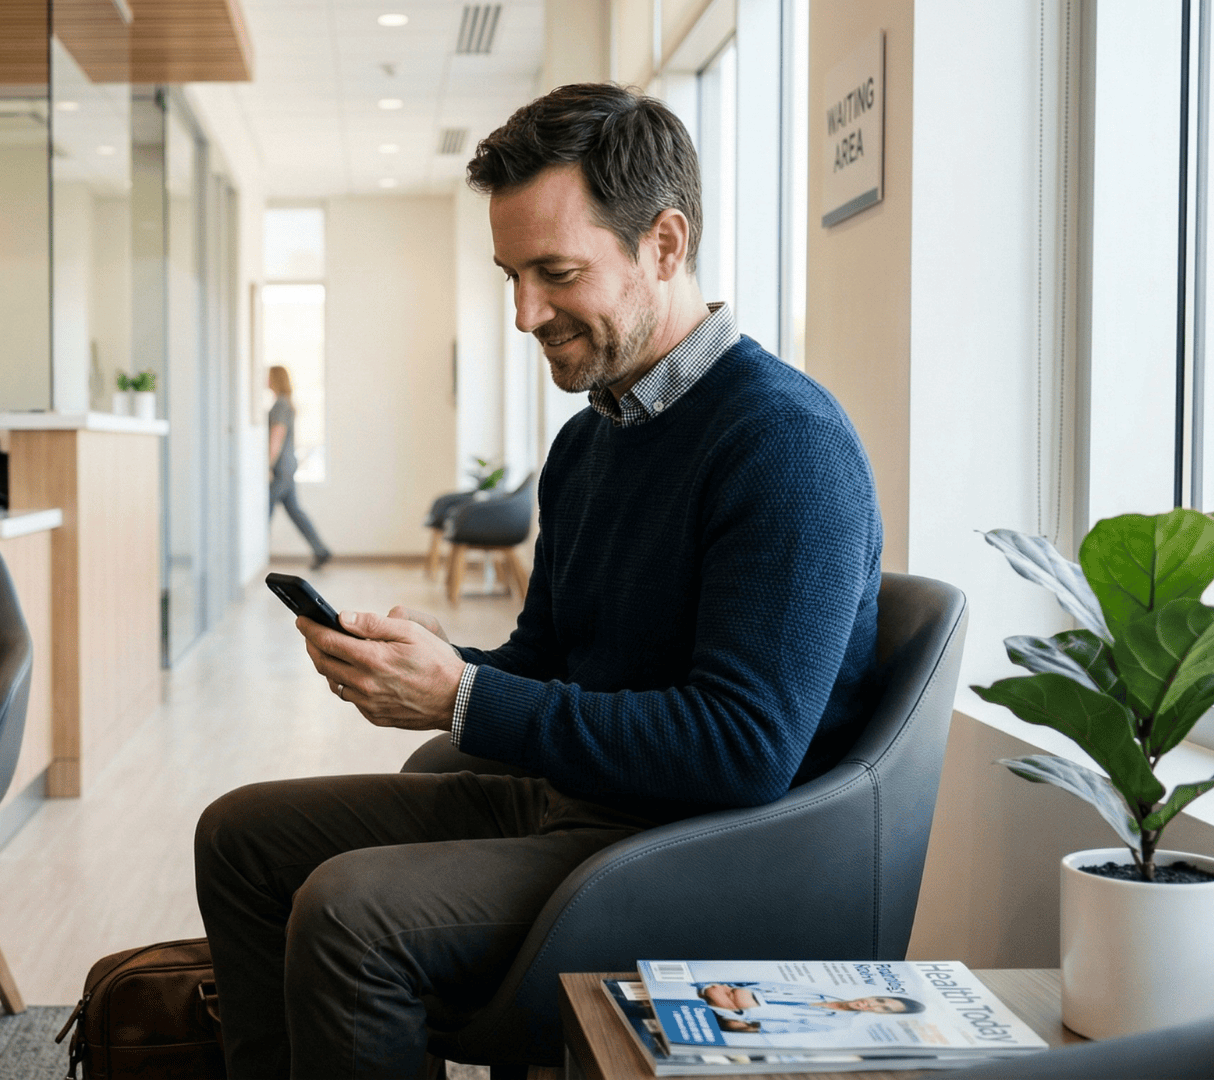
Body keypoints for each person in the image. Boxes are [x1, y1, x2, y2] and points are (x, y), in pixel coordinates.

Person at [194, 83, 884, 1079]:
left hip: (697, 847)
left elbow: (742, 751)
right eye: (511, 275)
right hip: (585, 802)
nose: (524, 313)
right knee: (243, 836)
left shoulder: (783, 445)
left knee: (352, 917)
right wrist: (433, 666)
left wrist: (463, 699)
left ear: (664, 245)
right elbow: (547, 662)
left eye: (556, 273)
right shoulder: (588, 445)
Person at [267, 365, 331, 569]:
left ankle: (253, 555)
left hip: (281, 468)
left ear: (275, 379)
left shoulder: (280, 405)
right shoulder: (285, 404)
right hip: (288, 465)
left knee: (262, 508)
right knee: (295, 511)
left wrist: (267, 465)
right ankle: (321, 550)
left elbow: (276, 436)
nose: (265, 380)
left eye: (268, 377)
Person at [696, 983, 924, 1035]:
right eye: (880, 999)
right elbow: (741, 985)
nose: (872, 1004)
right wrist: (731, 996)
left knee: (731, 1010)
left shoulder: (838, 1023)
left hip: (729, 1017)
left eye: (882, 1009)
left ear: (882, 1015)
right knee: (718, 991)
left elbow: (754, 1028)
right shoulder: (820, 991)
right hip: (715, 994)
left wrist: (735, 1006)